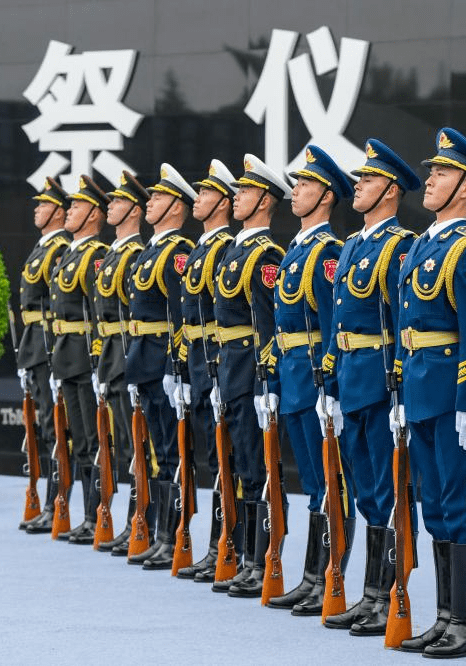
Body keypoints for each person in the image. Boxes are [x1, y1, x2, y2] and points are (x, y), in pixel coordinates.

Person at [392, 127, 466, 658]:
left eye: (441, 172)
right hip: (419, 389)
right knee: (433, 504)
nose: (430, 180)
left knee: (462, 506)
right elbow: (404, 326)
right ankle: (443, 617)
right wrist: (399, 390)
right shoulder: (420, 246)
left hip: (453, 395)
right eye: (432, 171)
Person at [320, 139, 420, 636]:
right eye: (359, 178)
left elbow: (403, 322)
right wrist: (330, 382)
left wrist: (400, 387)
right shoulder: (353, 245)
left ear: (391, 190)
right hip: (351, 378)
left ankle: (390, 595)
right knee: (365, 492)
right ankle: (372, 594)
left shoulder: (399, 246)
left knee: (388, 489)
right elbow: (338, 320)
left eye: (369, 179)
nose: (357, 185)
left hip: (381, 383)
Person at [258, 145, 354, 615]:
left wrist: (330, 388)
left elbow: (333, 328)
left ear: (327, 196)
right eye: (296, 185)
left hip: (315, 381)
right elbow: (282, 329)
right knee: (313, 483)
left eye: (306, 185)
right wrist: (273, 382)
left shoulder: (328, 252)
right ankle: (312, 577)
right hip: (293, 378)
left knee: (331, 482)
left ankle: (330, 578)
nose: (295, 192)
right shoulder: (296, 250)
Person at [210, 154, 286, 597]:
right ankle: (242, 554)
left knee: (259, 468)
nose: (236, 197)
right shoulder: (234, 252)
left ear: (264, 201)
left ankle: (263, 560)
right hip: (229, 369)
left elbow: (269, 326)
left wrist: (265, 382)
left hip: (250, 372)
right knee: (239, 464)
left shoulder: (265, 255)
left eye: (246, 191)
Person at [169, 159, 238, 583]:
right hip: (196, 360)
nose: (199, 198)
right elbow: (186, 316)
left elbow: (222, 318)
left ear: (224, 202)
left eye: (208, 192)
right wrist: (178, 365)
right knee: (211, 458)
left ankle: (230, 547)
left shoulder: (225, 249)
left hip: (217, 362)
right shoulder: (200, 249)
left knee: (228, 459)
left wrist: (215, 371)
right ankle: (217, 546)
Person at [124, 164, 196, 570]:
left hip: (162, 360)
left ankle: (175, 537)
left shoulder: (177, 253)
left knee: (172, 451)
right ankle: (161, 535)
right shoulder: (151, 251)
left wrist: (175, 367)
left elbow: (179, 315)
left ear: (176, 207)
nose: (149, 203)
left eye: (158, 197)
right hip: (143, 358)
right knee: (157, 453)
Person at [88, 171, 151, 553]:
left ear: (134, 210)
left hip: (127, 356)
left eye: (118, 201)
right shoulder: (114, 254)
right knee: (121, 446)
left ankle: (140, 522)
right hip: (110, 356)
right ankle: (131, 521)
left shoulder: (133, 256)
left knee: (136, 448)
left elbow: (133, 315)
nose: (110, 206)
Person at [46, 175, 110, 544]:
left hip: (85, 357)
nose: (68, 211)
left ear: (93, 215)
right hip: (66, 355)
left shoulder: (94, 255)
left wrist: (98, 361)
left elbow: (98, 312)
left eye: (77, 206)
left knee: (91, 438)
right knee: (78, 441)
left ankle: (95, 515)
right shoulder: (70, 253)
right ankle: (87, 516)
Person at [18, 177, 72, 534]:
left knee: (57, 430)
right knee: (45, 428)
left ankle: (58, 506)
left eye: (44, 205)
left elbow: (57, 305)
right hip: (33, 342)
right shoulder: (43, 247)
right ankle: (52, 505)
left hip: (49, 344)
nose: (37, 209)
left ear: (59, 212)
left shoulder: (59, 249)